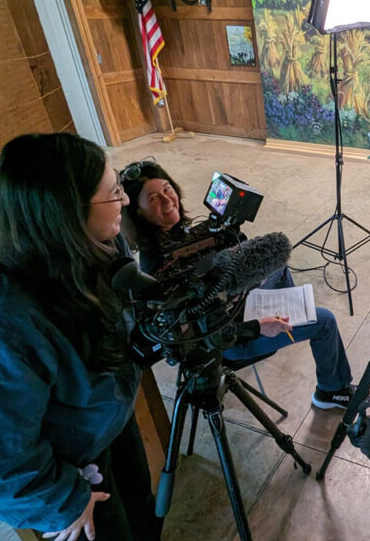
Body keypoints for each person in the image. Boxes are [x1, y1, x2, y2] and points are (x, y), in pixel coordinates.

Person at [0, 133, 160, 540]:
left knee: (144, 517)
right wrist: (61, 501)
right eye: (114, 194)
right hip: (65, 469)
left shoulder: (98, 245)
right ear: (65, 211)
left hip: (108, 424)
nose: (125, 202)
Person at [119, 160, 355, 410]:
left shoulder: (176, 236)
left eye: (167, 189)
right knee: (325, 321)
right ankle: (331, 391)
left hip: (231, 310)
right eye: (153, 198)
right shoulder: (160, 267)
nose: (168, 201)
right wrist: (259, 327)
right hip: (229, 340)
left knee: (278, 267)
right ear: (137, 211)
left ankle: (288, 317)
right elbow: (208, 333)